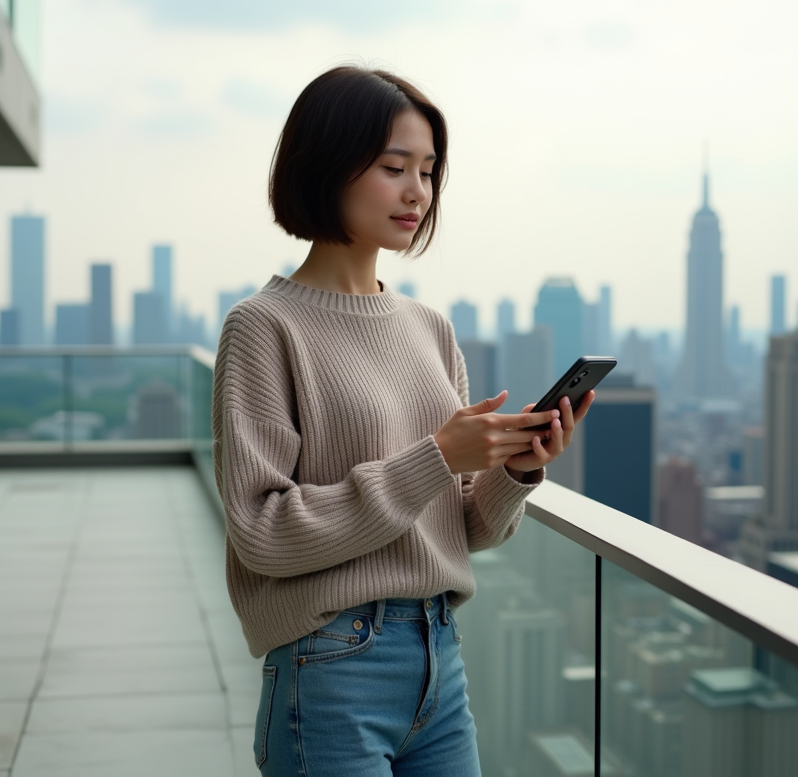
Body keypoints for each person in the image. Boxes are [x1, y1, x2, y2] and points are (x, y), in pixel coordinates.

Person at [212, 65, 594, 777]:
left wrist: (516, 469)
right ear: (326, 166)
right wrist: (437, 457)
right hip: (330, 667)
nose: (418, 191)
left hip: (440, 659)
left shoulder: (430, 329)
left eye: (429, 170)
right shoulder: (264, 328)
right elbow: (261, 531)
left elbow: (464, 528)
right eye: (395, 167)